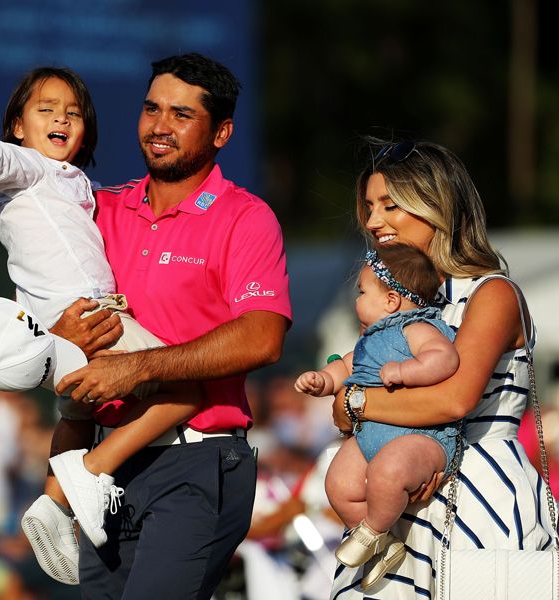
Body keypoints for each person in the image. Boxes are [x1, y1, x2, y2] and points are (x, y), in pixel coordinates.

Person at [0, 66, 201, 585]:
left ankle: (51, 507)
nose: (62, 119)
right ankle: (88, 475)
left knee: (77, 414)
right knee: (190, 386)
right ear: (18, 126)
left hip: (55, 334)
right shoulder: (29, 166)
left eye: (73, 113)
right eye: (46, 109)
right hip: (92, 317)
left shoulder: (72, 185)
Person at [50, 53, 291, 599]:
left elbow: (263, 336)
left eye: (181, 115)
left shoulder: (245, 217)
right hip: (105, 464)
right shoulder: (99, 207)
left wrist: (139, 368)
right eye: (151, 109)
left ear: (222, 132)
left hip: (197, 457)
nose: (160, 126)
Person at [328, 139, 553, 598]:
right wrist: (350, 402)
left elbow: (453, 399)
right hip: (396, 493)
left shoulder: (492, 293)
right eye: (369, 207)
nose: (373, 222)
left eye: (390, 206)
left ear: (437, 207)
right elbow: (338, 413)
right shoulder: (389, 305)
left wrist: (356, 401)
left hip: (479, 493)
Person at [294, 244, 461, 589]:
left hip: (420, 436)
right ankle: (384, 544)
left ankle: (371, 532)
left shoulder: (418, 329)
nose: (356, 300)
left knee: (388, 472)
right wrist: (323, 380)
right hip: (372, 433)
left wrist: (405, 370)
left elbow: (444, 359)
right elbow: (345, 366)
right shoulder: (370, 340)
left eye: (361, 291)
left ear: (391, 301)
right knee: (338, 483)